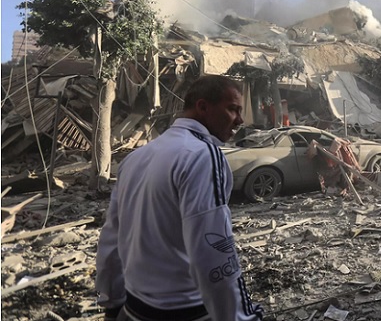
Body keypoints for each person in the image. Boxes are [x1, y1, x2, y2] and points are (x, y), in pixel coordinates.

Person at [96, 75, 263, 321]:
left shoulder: (136, 158)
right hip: (186, 312)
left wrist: (112, 306)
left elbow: (111, 240)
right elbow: (213, 250)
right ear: (203, 107)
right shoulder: (203, 156)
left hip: (133, 310)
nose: (240, 120)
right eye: (232, 109)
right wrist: (240, 317)